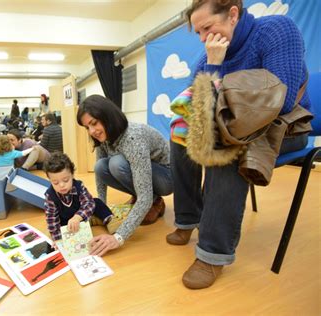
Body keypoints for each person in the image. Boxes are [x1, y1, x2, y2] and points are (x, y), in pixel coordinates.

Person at [167, 0, 311, 290]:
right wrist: (213, 65)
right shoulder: (207, 58)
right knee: (180, 135)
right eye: (198, 32)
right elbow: (200, 111)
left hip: (285, 127)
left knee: (225, 147)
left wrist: (221, 96)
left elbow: (282, 100)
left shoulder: (275, 30)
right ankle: (187, 219)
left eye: (207, 27)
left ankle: (212, 254)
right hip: (233, 124)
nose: (204, 37)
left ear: (233, 14)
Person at [77, 95, 173, 256]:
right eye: (87, 127)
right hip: (145, 175)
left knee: (116, 163)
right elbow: (100, 172)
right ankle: (147, 199)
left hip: (167, 178)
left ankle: (156, 200)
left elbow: (144, 195)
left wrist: (118, 237)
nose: (92, 131)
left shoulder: (132, 138)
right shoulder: (103, 137)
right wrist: (101, 207)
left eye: (94, 123)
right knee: (101, 166)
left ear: (107, 117)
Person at [43, 152, 123, 241]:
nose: (61, 185)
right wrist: (57, 240)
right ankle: (92, 220)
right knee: (51, 232)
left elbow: (89, 204)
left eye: (66, 180)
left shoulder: (79, 186)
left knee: (96, 202)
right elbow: (52, 219)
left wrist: (77, 217)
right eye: (55, 183)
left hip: (81, 215)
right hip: (67, 222)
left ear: (72, 175)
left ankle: (109, 219)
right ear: (49, 180)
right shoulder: (50, 196)